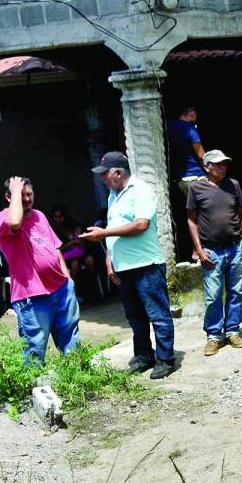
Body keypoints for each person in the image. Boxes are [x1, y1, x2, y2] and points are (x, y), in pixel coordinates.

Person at [82, 152, 176, 380]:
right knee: (135, 316)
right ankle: (144, 355)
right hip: (123, 267)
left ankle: (166, 359)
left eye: (105, 174)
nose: (103, 179)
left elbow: (141, 224)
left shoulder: (141, 190)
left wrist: (104, 233)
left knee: (157, 314)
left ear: (117, 172)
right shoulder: (113, 195)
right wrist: (109, 259)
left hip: (146, 265)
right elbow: (114, 227)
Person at [0, 176, 81, 366]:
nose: (26, 199)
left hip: (61, 288)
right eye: (20, 195)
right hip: (32, 296)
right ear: (9, 197)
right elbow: (15, 222)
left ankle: (78, 380)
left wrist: (68, 279)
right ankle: (35, 390)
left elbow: (56, 247)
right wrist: (15, 189)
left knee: (71, 340)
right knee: (35, 348)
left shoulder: (39, 215)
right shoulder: (3, 219)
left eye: (29, 194)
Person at [186, 150, 242, 357]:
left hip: (235, 247)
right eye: (218, 164)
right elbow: (191, 220)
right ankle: (214, 336)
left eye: (225, 164)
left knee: (236, 292)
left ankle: (232, 331)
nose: (223, 167)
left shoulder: (233, 185)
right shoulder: (196, 188)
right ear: (207, 167)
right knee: (213, 295)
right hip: (211, 250)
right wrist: (198, 249)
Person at [50, 204, 101, 301]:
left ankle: (93, 290)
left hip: (80, 253)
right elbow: (58, 249)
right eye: (56, 217)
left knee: (91, 260)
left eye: (61, 216)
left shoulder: (73, 225)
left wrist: (80, 238)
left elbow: (84, 241)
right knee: (75, 265)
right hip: (66, 257)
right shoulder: (54, 231)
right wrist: (72, 242)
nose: (59, 219)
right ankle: (75, 293)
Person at [167, 105, 207, 195]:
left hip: (179, 177)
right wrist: (210, 170)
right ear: (192, 113)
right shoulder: (189, 128)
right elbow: (201, 155)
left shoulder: (169, 126)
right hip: (195, 175)